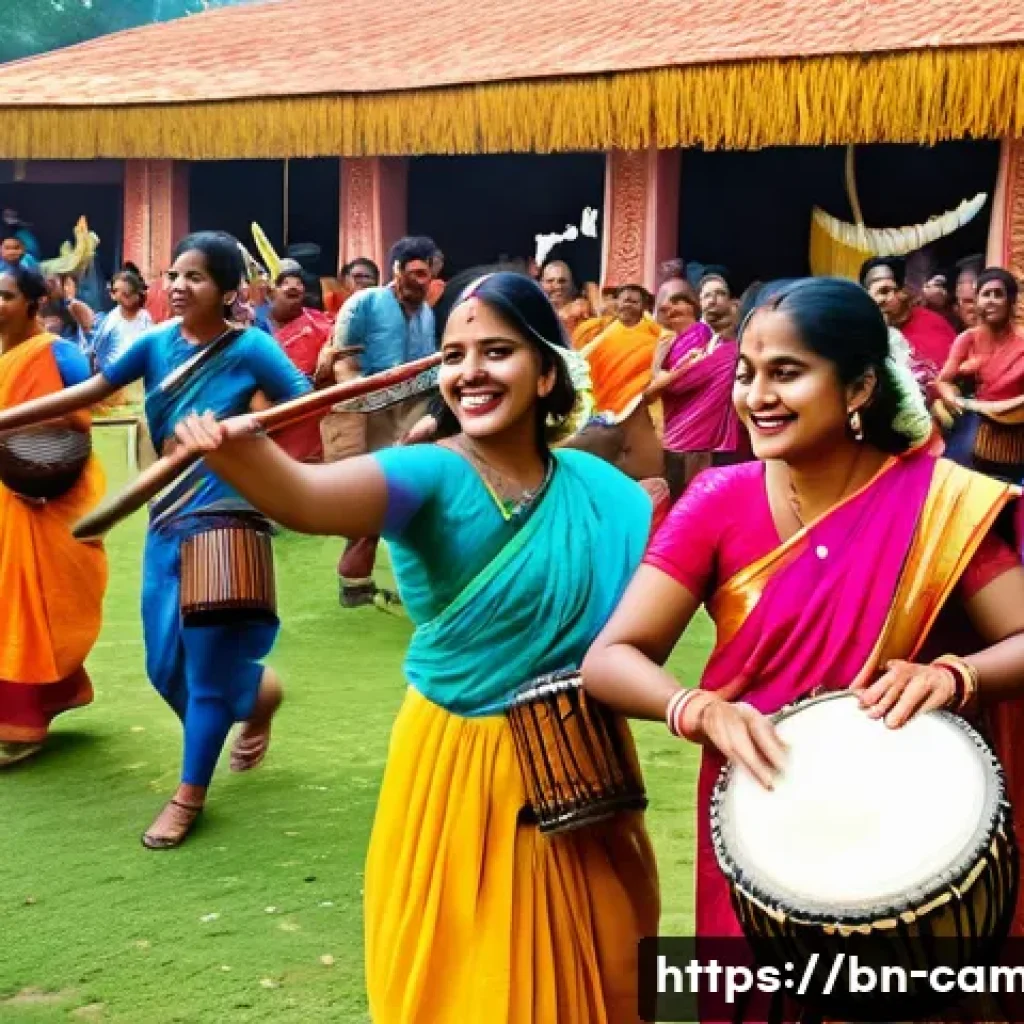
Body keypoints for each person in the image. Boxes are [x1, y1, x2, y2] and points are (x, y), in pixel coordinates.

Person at [172, 270, 659, 1023]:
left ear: (547, 372)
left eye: (496, 351)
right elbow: (307, 498)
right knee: (479, 979)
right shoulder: (429, 472)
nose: (469, 372)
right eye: (454, 354)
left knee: (601, 957)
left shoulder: (599, 487)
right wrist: (244, 452)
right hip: (463, 765)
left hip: (580, 760)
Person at [582, 276, 1024, 949]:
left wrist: (958, 675)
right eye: (747, 373)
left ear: (858, 389)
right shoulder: (716, 501)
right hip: (765, 820)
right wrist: (699, 709)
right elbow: (611, 659)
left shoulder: (940, 502)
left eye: (786, 373)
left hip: (905, 829)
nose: (756, 397)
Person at [0, 232, 310, 847]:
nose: (177, 285)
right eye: (173, 273)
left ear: (227, 291)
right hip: (164, 511)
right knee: (163, 665)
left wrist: (242, 427)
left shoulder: (250, 347)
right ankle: (258, 693)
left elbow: (302, 402)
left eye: (194, 276)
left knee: (201, 669)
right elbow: (90, 392)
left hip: (224, 512)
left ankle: (188, 796)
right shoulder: (155, 345)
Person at [0, 265, 107, 767]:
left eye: (4, 295)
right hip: (5, 498)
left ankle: (22, 726)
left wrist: (44, 483)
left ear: (33, 304)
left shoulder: (56, 354)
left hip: (47, 499)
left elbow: (82, 424)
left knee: (32, 605)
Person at [317, 235, 439, 608]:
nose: (423, 282)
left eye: (428, 274)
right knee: (365, 502)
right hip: (364, 411)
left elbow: (429, 367)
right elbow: (342, 363)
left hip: (412, 409)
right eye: (416, 273)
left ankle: (413, 588)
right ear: (398, 271)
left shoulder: (427, 313)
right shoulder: (363, 303)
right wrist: (365, 404)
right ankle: (354, 586)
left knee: (413, 499)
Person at [647, 272, 743, 495]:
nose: (714, 299)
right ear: (699, 303)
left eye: (720, 294)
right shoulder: (682, 340)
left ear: (732, 304)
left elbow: (668, 383)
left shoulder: (733, 344)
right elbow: (666, 386)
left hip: (723, 444)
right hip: (682, 443)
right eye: (707, 295)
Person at [937, 267, 1024, 482]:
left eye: (998, 294)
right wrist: (959, 402)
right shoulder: (967, 339)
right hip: (978, 418)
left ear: (1010, 301)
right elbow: (943, 381)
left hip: (1018, 421)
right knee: (952, 475)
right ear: (976, 301)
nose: (992, 300)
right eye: (986, 294)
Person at [573, 284, 665, 480]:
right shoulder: (598, 331)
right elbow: (581, 360)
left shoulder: (655, 335)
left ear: (643, 307)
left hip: (638, 411)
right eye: (624, 300)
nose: (627, 305)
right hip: (603, 408)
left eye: (634, 301)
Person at [256, 268, 335, 462]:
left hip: (306, 419)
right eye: (285, 283)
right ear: (271, 291)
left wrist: (328, 355)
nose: (293, 287)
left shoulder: (319, 324)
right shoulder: (250, 322)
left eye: (298, 284)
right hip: (259, 420)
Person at [860, 257, 957, 398]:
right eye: (874, 292)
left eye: (888, 290)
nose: (880, 300)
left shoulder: (932, 324)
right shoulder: (860, 332)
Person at [89, 264, 154, 375]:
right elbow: (95, 353)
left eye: (127, 294)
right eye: (118, 292)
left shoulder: (145, 317)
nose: (123, 297)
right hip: (113, 380)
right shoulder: (110, 320)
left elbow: (151, 348)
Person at [540, 259, 593, 335]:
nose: (557, 286)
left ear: (572, 285)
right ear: (541, 284)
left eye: (562, 281)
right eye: (550, 281)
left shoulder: (582, 312)